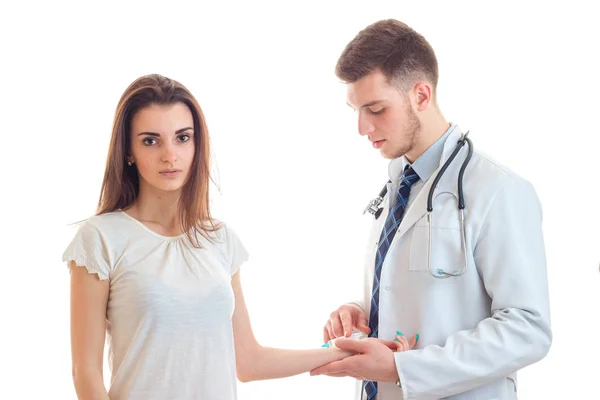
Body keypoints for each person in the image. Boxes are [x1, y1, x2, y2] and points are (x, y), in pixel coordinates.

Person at [63, 73, 399, 400]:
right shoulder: (101, 239)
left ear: (197, 143)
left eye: (182, 137)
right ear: (129, 152)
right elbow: (86, 374)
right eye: (151, 140)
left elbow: (249, 361)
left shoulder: (219, 240)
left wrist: (345, 353)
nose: (170, 155)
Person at [311, 19, 552, 400]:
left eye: (375, 109)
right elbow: (418, 292)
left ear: (421, 96)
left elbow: (528, 328)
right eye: (356, 110)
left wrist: (401, 369)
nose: (361, 127)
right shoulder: (399, 185)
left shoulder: (498, 189)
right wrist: (360, 310)